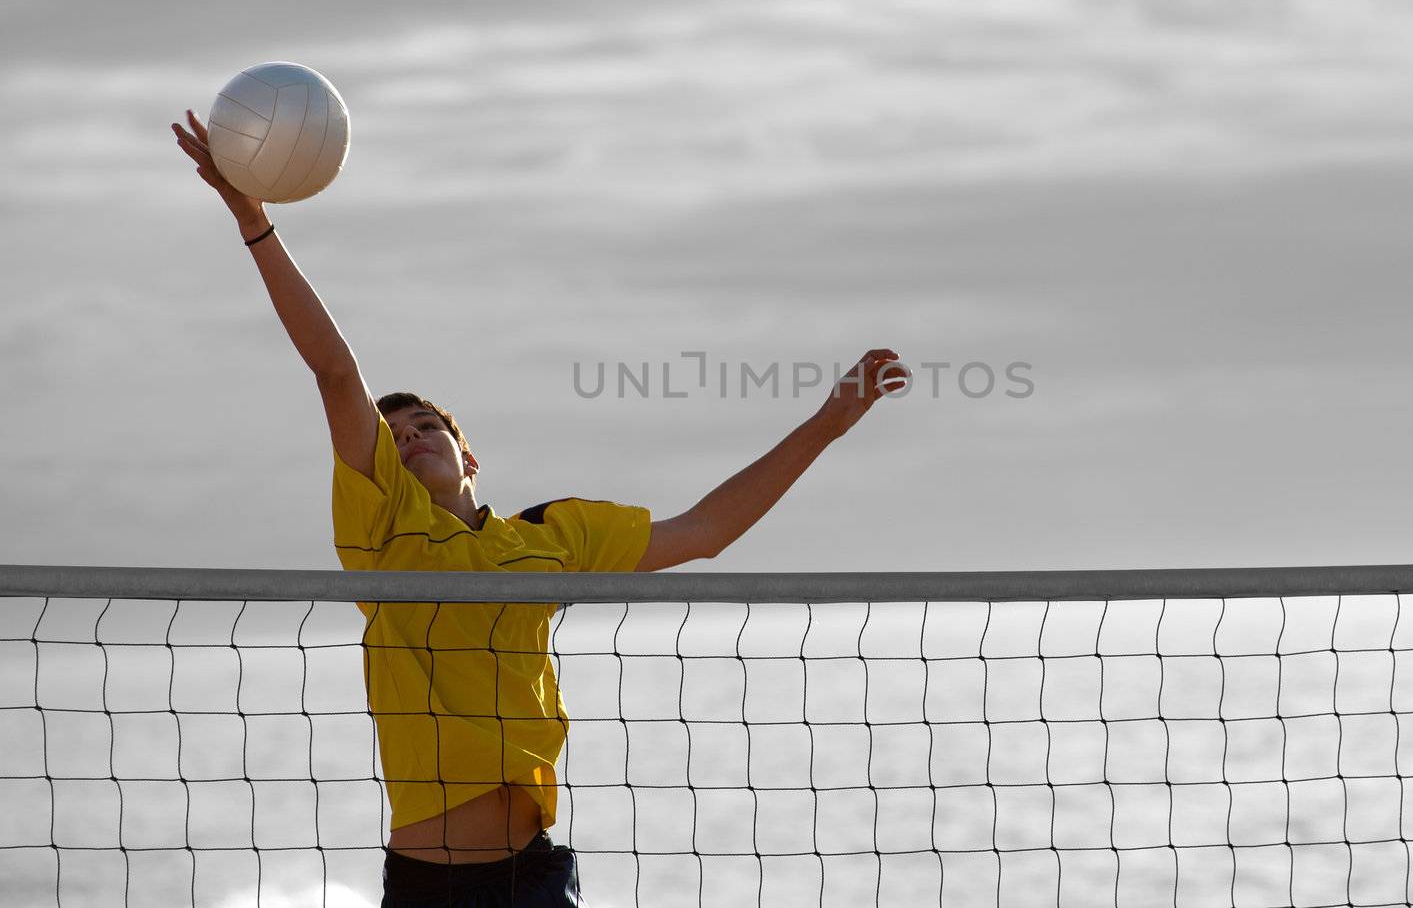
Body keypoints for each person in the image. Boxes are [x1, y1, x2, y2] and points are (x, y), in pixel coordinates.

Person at [172, 110, 905, 907]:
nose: (410, 437)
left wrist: (828, 423)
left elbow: (705, 531)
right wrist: (255, 223)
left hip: (535, 873)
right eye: (395, 434)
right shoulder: (382, 529)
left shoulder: (551, 537)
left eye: (426, 426)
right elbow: (336, 373)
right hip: (430, 883)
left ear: (468, 456)